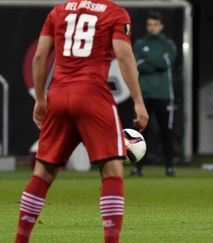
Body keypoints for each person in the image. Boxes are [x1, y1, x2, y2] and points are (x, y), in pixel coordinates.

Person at [15, 1, 149, 242]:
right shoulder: (114, 12)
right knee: (112, 172)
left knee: (42, 172)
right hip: (93, 95)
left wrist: (40, 99)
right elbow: (124, 56)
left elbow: (39, 58)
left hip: (58, 94)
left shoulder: (58, 11)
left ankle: (20, 239)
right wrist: (138, 101)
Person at [132, 11, 177, 177]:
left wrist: (148, 60)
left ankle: (170, 167)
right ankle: (137, 168)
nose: (152, 28)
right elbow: (137, 64)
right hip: (143, 94)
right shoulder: (139, 43)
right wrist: (155, 62)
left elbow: (167, 62)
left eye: (156, 24)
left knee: (167, 131)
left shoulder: (168, 43)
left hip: (164, 94)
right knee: (140, 133)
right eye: (150, 25)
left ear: (162, 26)